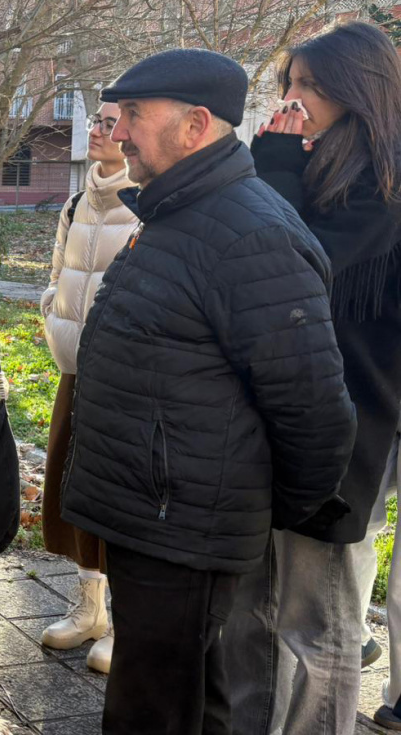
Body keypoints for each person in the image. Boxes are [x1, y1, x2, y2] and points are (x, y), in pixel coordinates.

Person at [60, 49, 356, 734]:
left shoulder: (249, 233)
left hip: (184, 527)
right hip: (159, 519)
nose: (119, 129)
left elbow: (314, 409)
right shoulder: (180, 213)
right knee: (189, 699)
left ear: (195, 125)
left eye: (135, 113)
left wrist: (248, 506)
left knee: (153, 710)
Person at [217, 21, 401, 734]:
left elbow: (285, 267)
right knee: (253, 614)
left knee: (318, 624)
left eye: (310, 85)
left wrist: (273, 165)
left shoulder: (382, 183)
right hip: (277, 414)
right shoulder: (311, 162)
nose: (291, 98)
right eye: (288, 81)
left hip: (345, 425)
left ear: (358, 91)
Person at [36, 101, 137, 674]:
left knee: (116, 489)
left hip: (123, 375)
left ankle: (125, 620)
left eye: (109, 122)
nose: (98, 131)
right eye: (95, 122)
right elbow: (55, 273)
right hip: (73, 365)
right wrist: (55, 311)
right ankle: (90, 607)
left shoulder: (146, 201)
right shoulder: (76, 201)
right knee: (70, 482)